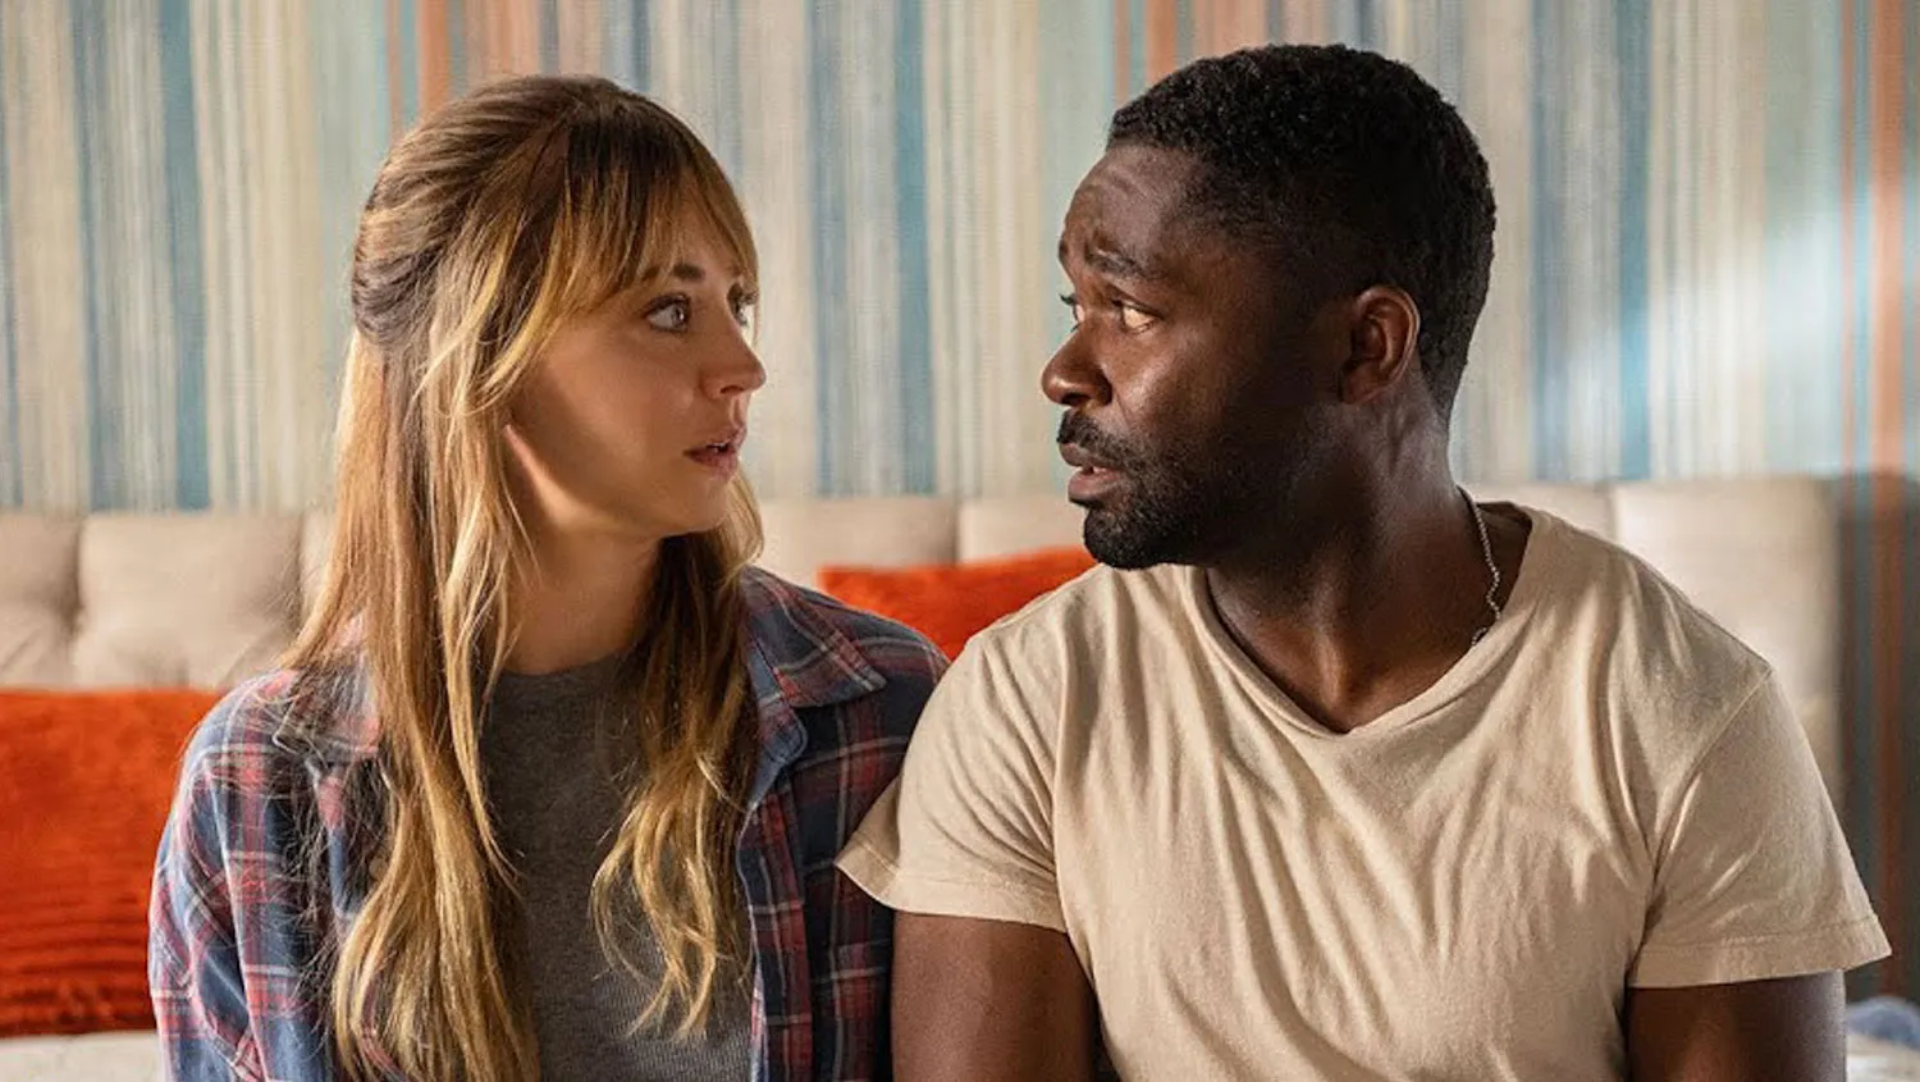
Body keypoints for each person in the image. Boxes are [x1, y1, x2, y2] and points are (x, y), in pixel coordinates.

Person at [839, 43, 1886, 1081]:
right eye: (1076, 308)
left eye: (1133, 311)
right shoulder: (1026, 701)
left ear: (1365, 347)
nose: (1066, 371)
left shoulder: (1682, 709)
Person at [148, 75, 943, 1082]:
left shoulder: (876, 714)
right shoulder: (260, 784)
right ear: (482, 352)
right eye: (668, 310)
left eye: (735, 302)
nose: (744, 365)